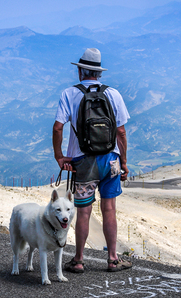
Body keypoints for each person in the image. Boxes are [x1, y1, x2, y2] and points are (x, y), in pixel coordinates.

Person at [52, 48, 132, 272]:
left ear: (80, 71)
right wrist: (123, 162)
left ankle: (78, 260)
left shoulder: (69, 94)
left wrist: (60, 156)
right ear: (98, 73)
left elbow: (58, 128)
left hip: (83, 163)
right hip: (111, 160)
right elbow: (121, 133)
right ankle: (114, 259)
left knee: (84, 211)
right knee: (109, 209)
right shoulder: (113, 94)